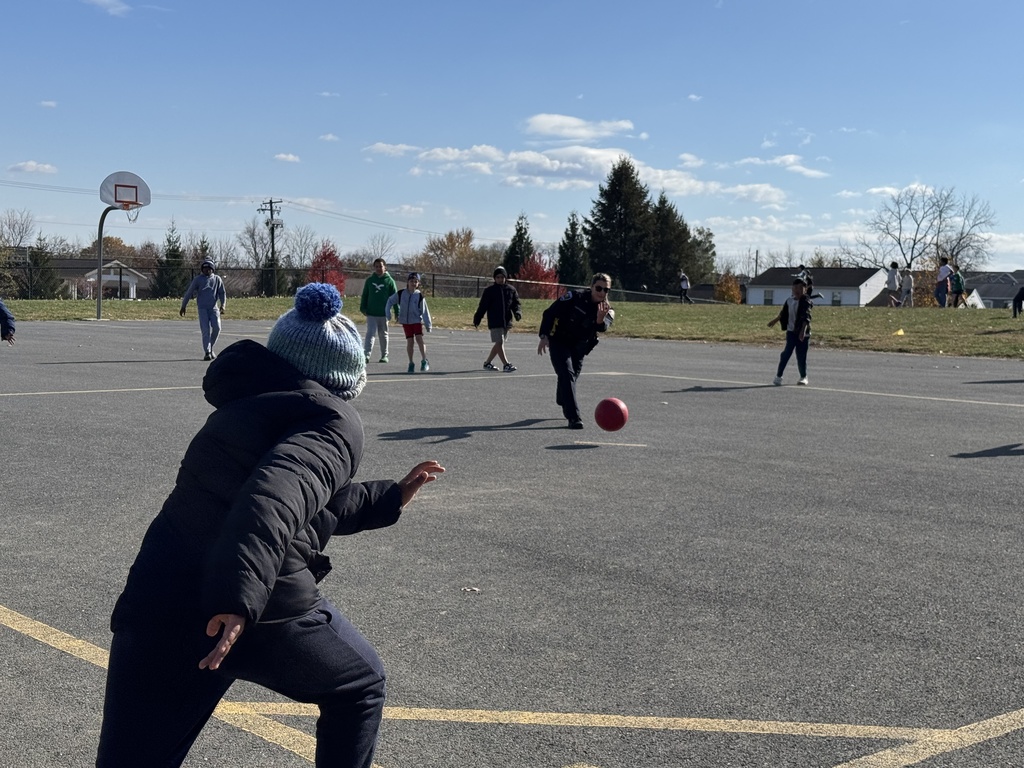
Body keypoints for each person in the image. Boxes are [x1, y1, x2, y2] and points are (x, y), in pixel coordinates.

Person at [95, 282, 445, 768]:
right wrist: (236, 600)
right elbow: (274, 497)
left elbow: (301, 500)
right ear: (342, 378)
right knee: (360, 686)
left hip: (161, 600)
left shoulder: (245, 408)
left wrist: (385, 498)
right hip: (252, 609)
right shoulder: (333, 420)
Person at [537, 273, 615, 429]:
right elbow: (550, 313)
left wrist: (600, 318)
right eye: (599, 288)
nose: (601, 292)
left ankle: (563, 398)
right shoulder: (574, 297)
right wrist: (544, 336)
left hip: (579, 347)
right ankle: (574, 417)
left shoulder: (607, 310)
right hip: (560, 341)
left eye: (605, 290)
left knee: (569, 379)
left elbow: (603, 327)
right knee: (567, 374)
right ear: (592, 287)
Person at [473, 265, 522, 372]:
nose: (500, 279)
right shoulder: (489, 291)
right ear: (495, 278)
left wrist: (517, 312)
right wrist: (478, 317)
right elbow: (483, 306)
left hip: (506, 321)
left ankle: (487, 363)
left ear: (505, 278)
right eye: (498, 277)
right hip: (495, 321)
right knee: (499, 342)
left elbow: (516, 304)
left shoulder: (511, 290)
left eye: (502, 277)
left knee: (499, 343)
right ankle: (506, 364)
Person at [768, 277, 813, 386]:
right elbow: (783, 313)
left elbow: (806, 317)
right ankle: (778, 376)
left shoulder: (806, 302)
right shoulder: (789, 301)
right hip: (791, 332)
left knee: (801, 356)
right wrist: (775, 320)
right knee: (786, 354)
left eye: (800, 288)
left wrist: (803, 331)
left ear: (805, 289)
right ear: (792, 289)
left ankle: (803, 377)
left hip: (803, 334)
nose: (797, 290)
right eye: (795, 287)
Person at [180, 259, 227, 360]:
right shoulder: (198, 279)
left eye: (209, 268)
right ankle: (207, 352)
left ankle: (210, 347)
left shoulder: (217, 279)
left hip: (214, 309)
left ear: (212, 269)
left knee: (217, 328)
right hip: (202, 309)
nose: (206, 270)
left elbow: (222, 293)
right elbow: (189, 292)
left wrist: (223, 305)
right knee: (205, 330)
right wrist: (183, 306)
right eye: (204, 268)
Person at [385, 272, 432, 373]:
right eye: (411, 281)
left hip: (416, 321)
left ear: (418, 283)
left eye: (416, 281)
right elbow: (390, 301)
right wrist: (388, 313)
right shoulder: (401, 294)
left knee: (419, 339)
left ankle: (424, 360)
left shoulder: (419, 296)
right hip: (406, 322)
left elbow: (424, 311)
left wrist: (428, 324)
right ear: (408, 282)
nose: (413, 283)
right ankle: (411, 362)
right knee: (410, 342)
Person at [359, 258, 397, 363]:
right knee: (370, 334)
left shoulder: (389, 281)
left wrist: (397, 312)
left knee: (383, 334)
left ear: (385, 267)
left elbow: (395, 297)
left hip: (384, 314)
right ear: (374, 268)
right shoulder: (370, 280)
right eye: (376, 266)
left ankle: (384, 355)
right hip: (371, 313)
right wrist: (363, 307)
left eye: (381, 266)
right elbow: (365, 295)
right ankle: (366, 355)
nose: (379, 268)